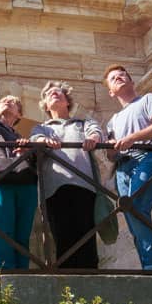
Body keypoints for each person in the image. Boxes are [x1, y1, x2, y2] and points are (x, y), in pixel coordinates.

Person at [0, 35, 36, 270]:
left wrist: (28, 148)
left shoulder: (23, 134)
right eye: (5, 100)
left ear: (20, 114)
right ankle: (8, 282)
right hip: (0, 176)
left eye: (14, 102)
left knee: (23, 232)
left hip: (26, 179)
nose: (8, 102)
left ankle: (24, 276)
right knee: (5, 229)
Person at [29, 81, 101, 269]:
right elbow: (34, 139)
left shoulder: (83, 123)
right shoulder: (41, 128)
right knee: (63, 236)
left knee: (87, 234)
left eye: (59, 92)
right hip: (54, 188)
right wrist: (42, 141)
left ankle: (92, 282)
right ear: (45, 104)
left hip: (83, 185)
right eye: (50, 93)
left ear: (67, 101)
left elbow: (95, 131)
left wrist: (93, 139)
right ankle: (69, 287)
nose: (55, 94)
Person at [103, 64, 152, 270]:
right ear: (110, 92)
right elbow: (111, 155)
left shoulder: (148, 99)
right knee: (130, 214)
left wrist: (131, 138)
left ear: (131, 81)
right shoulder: (113, 120)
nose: (119, 77)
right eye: (113, 78)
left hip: (148, 156)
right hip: (122, 166)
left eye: (123, 75)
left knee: (136, 207)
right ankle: (149, 267)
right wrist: (110, 149)